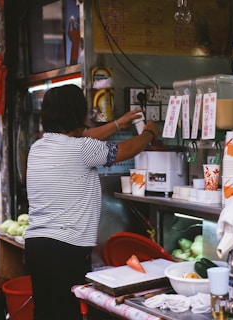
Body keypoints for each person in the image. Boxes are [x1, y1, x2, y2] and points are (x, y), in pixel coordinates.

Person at [24, 84, 159, 320]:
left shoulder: (38, 147)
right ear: (77, 114)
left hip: (36, 247)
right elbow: (127, 149)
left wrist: (118, 124)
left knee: (45, 314)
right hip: (64, 251)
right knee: (67, 314)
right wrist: (149, 132)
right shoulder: (81, 149)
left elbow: (84, 138)